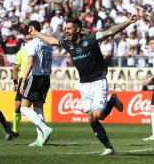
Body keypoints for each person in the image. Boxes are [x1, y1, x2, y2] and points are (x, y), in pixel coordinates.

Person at [28, 15, 138, 155]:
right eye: (66, 28)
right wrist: (36, 33)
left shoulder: (90, 39)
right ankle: (109, 148)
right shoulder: (67, 43)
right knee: (92, 118)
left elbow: (109, 32)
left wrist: (128, 21)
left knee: (97, 115)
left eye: (69, 29)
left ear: (78, 29)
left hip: (98, 81)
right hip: (84, 84)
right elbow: (52, 40)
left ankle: (113, 100)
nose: (66, 31)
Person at [19, 20, 53, 147]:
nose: (28, 31)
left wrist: (23, 81)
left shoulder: (33, 43)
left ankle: (44, 128)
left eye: (30, 29)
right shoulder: (48, 43)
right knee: (38, 108)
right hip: (46, 78)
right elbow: (50, 63)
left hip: (36, 78)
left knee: (24, 107)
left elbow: (30, 63)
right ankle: (40, 139)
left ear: (34, 29)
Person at [12, 34, 32, 137]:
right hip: (22, 81)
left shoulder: (36, 51)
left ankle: (41, 130)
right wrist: (15, 82)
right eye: (27, 39)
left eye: (30, 39)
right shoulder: (21, 52)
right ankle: (15, 129)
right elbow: (15, 68)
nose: (28, 41)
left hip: (33, 79)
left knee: (35, 106)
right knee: (17, 106)